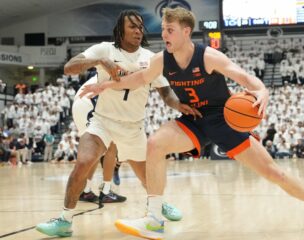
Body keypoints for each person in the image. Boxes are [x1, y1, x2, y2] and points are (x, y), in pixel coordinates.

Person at [81, 7, 304, 239]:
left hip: (225, 121)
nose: (164, 35)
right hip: (193, 121)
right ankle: (154, 219)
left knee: (273, 173)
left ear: (186, 32)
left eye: (169, 30)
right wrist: (103, 86)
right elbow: (138, 79)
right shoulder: (161, 59)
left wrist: (262, 91)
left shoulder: (208, 57)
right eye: (163, 30)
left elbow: (244, 77)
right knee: (155, 144)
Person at [35, 9, 200, 237]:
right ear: (120, 30)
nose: (138, 30)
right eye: (132, 26)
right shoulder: (105, 49)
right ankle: (64, 220)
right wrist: (100, 61)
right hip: (103, 122)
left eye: (140, 26)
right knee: (83, 163)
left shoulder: (150, 59)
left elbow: (166, 94)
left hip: (133, 128)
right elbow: (69, 68)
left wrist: (179, 105)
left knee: (148, 179)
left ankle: (159, 206)